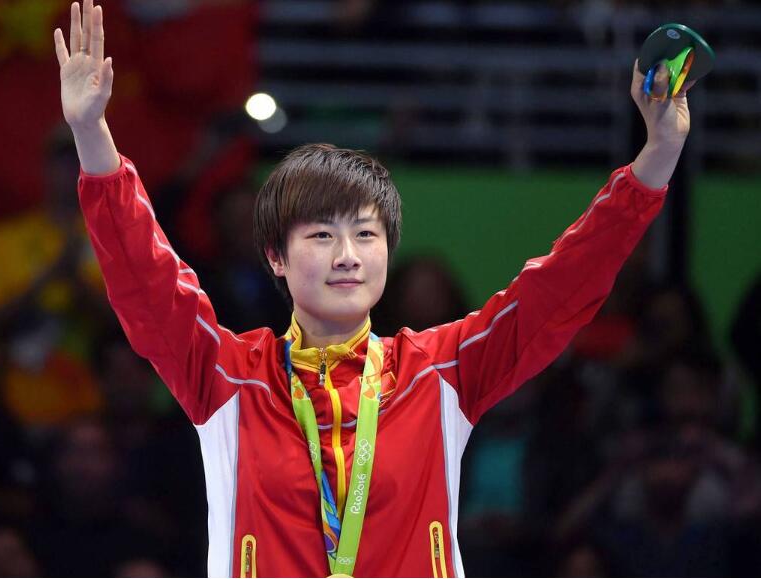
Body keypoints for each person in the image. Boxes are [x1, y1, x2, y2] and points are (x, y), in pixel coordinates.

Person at [54, 1, 697, 575]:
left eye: (366, 235)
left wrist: (658, 156)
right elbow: (147, 281)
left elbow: (559, 289)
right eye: (321, 236)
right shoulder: (227, 377)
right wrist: (91, 134)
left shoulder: (441, 373)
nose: (347, 257)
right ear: (275, 257)